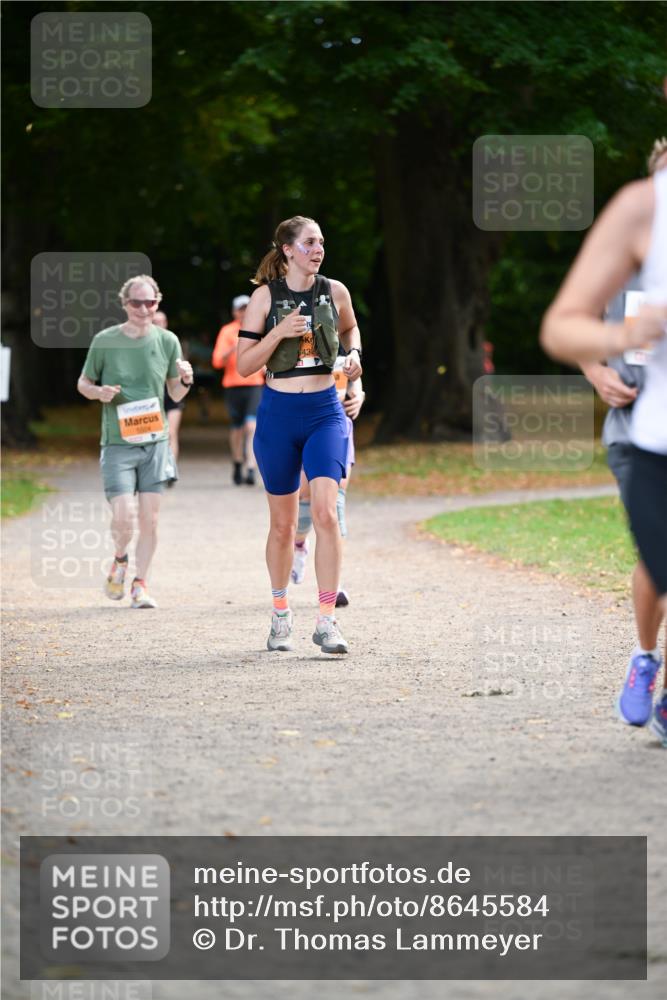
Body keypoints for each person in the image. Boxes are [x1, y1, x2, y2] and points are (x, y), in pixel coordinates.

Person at [541, 137, 667, 745]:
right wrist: (600, 367)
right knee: (658, 560)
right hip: (637, 432)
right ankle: (646, 659)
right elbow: (575, 328)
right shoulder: (629, 252)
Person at [237, 215, 362, 654]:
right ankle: (280, 614)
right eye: (309, 243)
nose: (318, 249)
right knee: (283, 524)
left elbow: (348, 328)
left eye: (321, 243)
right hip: (279, 414)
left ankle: (326, 621)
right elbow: (244, 365)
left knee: (327, 513)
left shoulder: (335, 290)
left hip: (326, 410)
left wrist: (353, 357)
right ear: (288, 249)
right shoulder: (264, 298)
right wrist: (279, 331)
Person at [77, 275, 193, 608]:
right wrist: (99, 392)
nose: (144, 309)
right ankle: (120, 558)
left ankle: (140, 584)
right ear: (124, 304)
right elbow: (83, 382)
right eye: (136, 302)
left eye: (150, 302)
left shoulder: (167, 340)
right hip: (117, 442)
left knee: (150, 519)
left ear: (158, 302)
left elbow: (174, 393)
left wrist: (186, 379)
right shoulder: (105, 340)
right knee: (124, 515)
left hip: (156, 442)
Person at [291, 355, 365, 608]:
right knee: (304, 496)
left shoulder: (346, 358)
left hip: (337, 429)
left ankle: (335, 584)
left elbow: (356, 385)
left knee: (335, 505)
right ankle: (299, 544)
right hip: (303, 428)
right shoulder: (296, 351)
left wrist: (358, 397)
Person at [212, 294, 264, 485]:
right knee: (237, 429)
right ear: (234, 312)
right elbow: (217, 361)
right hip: (233, 385)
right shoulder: (227, 332)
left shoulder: (260, 328)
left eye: (247, 308)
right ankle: (237, 463)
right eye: (241, 309)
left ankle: (251, 468)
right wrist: (234, 348)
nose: (244, 312)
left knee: (252, 426)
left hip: (255, 384)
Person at [154, 309, 184, 480]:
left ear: (165, 323)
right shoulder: (143, 342)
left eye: (161, 321)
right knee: (157, 434)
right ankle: (157, 469)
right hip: (153, 395)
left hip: (173, 392)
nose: (158, 324)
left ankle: (170, 469)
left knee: (171, 432)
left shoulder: (172, 342)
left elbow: (179, 367)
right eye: (154, 321)